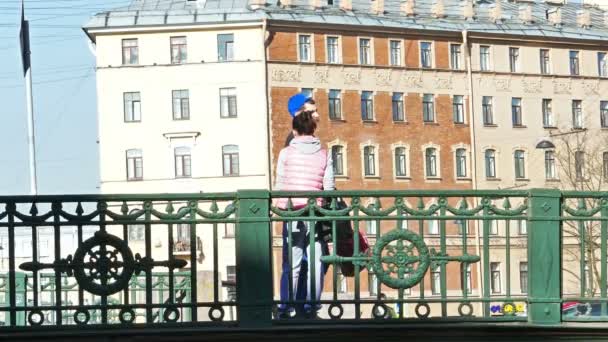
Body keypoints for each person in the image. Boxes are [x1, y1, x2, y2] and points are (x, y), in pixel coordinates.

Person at [275, 108, 334, 319]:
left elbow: (280, 184)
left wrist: (278, 208)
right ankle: (312, 306)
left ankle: (286, 307)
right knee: (317, 260)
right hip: (314, 213)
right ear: (313, 130)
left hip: (292, 213)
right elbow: (329, 187)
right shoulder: (324, 153)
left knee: (292, 263)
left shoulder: (286, 153)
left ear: (294, 130)